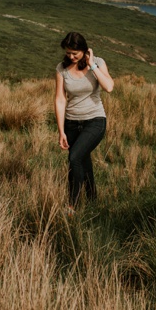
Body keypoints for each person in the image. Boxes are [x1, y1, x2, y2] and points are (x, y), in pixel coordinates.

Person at [54, 32, 114, 212]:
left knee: (74, 158)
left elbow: (109, 87)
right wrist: (61, 130)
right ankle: (93, 201)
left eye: (75, 53)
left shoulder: (99, 63)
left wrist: (92, 65)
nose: (71, 57)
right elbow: (60, 99)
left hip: (95, 121)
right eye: (68, 53)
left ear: (84, 50)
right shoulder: (61, 69)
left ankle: (72, 206)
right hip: (72, 123)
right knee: (83, 162)